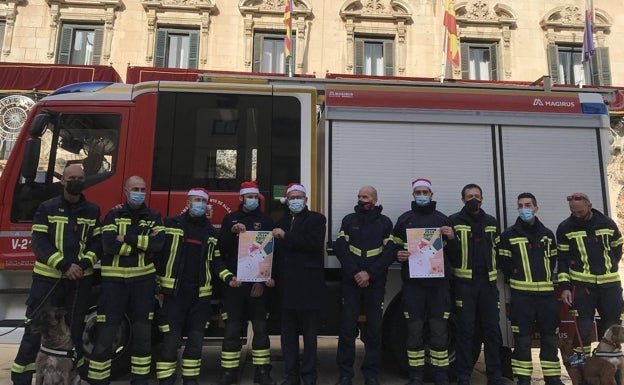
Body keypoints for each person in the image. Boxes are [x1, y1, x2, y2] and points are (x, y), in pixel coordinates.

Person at [11, 165, 101, 385]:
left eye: (80, 178)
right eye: (72, 178)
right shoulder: (47, 208)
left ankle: (72, 377)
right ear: (62, 180)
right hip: (48, 281)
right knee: (36, 330)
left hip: (79, 282)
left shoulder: (92, 210)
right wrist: (64, 265)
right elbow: (39, 243)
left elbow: (97, 244)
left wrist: (82, 264)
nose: (76, 181)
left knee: (75, 331)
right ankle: (22, 377)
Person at [87, 176, 165, 385]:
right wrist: (142, 243)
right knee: (106, 334)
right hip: (114, 286)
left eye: (142, 189)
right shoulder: (114, 214)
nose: (139, 192)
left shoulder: (154, 216)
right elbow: (109, 245)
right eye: (135, 189)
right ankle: (98, 380)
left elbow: (158, 245)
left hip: (142, 285)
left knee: (143, 336)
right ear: (126, 190)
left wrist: (127, 238)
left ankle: (140, 380)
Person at [213, 181, 276, 385]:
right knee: (231, 330)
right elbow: (221, 248)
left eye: (255, 197)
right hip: (235, 285)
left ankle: (262, 372)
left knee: (260, 330)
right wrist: (232, 232)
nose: (252, 200)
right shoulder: (230, 219)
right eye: (249, 197)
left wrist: (261, 281)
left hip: (257, 286)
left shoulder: (265, 220)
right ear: (240, 199)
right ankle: (228, 373)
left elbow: (269, 253)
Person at [393, 179, 455, 385]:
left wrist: (453, 238)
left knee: (439, 332)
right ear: (413, 195)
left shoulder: (443, 220)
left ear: (431, 194)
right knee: (414, 332)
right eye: (418, 192)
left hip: (438, 287)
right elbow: (392, 248)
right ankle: (416, 375)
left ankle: (441, 375)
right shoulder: (404, 220)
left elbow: (455, 254)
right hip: (413, 286)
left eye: (425, 191)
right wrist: (398, 254)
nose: (421, 195)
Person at [155, 188, 219, 385]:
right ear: (188, 202)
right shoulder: (170, 224)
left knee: (196, 341)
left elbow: (216, 263)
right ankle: (166, 380)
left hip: (200, 297)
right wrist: (157, 287)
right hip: (174, 294)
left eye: (203, 201)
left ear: (207, 205)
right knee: (170, 341)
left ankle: (190, 380)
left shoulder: (211, 232)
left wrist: (230, 278)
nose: (199, 204)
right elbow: (158, 254)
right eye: (196, 200)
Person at [497, 193, 563, 385]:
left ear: (535, 208)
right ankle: (523, 380)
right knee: (522, 342)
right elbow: (503, 261)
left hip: (546, 297)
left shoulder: (547, 234)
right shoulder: (508, 235)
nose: (524, 208)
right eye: (520, 205)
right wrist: (516, 275)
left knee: (550, 340)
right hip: (521, 297)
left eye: (527, 205)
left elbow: (552, 260)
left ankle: (553, 379)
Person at [334, 185, 394, 385]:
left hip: (375, 283)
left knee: (374, 330)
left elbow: (389, 252)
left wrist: (369, 273)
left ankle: (371, 374)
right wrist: (356, 273)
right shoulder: (349, 221)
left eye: (365, 197)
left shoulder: (385, 223)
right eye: (359, 196)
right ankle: (345, 374)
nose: (361, 200)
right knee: (347, 329)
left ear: (375, 200)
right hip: (351, 282)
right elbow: (341, 248)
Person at [272, 183, 327, 385]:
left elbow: (312, 245)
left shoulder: (317, 220)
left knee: (310, 338)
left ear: (305, 199)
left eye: (299, 197)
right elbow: (274, 255)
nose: (295, 200)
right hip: (286, 289)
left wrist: (286, 236)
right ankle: (291, 375)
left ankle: (309, 376)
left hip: (309, 289)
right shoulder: (280, 222)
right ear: (286, 200)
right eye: (292, 197)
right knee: (288, 338)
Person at [448, 183, 503, 385]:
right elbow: (449, 254)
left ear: (482, 198)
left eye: (477, 195)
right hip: (464, 286)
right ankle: (463, 375)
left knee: (491, 331)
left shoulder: (491, 222)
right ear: (463, 199)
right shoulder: (453, 221)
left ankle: (494, 375)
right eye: (469, 196)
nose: (474, 199)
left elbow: (499, 250)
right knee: (465, 332)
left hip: (488, 286)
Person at [557, 192, 623, 358]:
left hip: (610, 286)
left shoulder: (607, 224)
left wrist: (609, 267)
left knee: (612, 328)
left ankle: (609, 368)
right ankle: (582, 369)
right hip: (582, 287)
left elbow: (617, 248)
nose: (577, 216)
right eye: (573, 212)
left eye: (580, 212)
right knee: (583, 329)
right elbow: (563, 259)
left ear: (590, 206)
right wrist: (565, 287)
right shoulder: (565, 227)